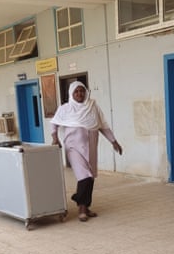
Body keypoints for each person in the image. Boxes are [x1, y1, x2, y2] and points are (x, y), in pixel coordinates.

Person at [50, 81, 122, 222]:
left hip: (91, 146)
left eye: (82, 91)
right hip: (73, 147)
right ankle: (82, 208)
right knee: (84, 176)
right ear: (71, 93)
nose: (79, 94)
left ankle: (85, 206)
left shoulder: (93, 107)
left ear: (86, 92)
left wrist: (114, 141)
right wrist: (55, 138)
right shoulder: (65, 108)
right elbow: (54, 122)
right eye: (76, 92)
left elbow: (102, 126)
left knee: (90, 177)